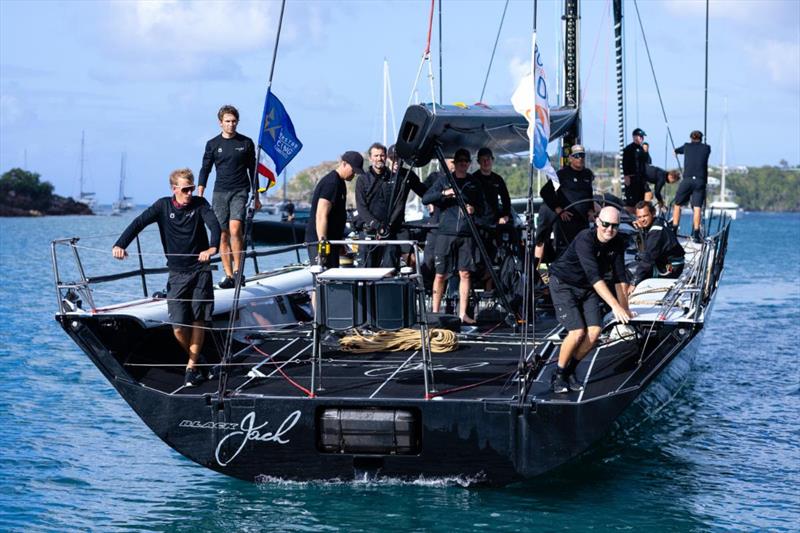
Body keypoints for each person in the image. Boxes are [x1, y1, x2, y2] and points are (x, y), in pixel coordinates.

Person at [112, 168, 221, 388]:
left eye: (191, 188)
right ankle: (199, 360)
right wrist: (120, 244)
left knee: (199, 319)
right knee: (178, 326)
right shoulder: (163, 206)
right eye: (185, 189)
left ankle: (191, 368)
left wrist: (212, 247)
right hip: (177, 273)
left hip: (200, 269)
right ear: (174, 189)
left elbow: (215, 226)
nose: (190, 193)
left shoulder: (200, 204)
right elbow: (138, 223)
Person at [547, 206, 632, 393]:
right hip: (564, 284)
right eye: (606, 225)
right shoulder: (585, 239)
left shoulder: (617, 242)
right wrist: (615, 306)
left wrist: (624, 310)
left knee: (594, 333)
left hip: (587, 288)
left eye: (615, 226)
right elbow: (595, 277)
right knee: (577, 332)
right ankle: (558, 374)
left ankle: (570, 370)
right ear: (597, 222)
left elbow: (620, 278)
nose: (610, 229)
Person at [198, 105, 260, 289]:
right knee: (222, 233)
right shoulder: (212, 144)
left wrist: (256, 196)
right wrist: (200, 191)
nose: (231, 124)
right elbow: (205, 168)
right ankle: (228, 275)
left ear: (237, 122)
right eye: (227, 121)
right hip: (219, 192)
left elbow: (253, 170)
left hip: (240, 190)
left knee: (235, 229)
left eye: (233, 121)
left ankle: (238, 270)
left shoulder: (246, 143)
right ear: (220, 123)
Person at [422, 148, 485, 324]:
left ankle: (462, 313)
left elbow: (483, 206)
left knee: (465, 273)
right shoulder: (444, 181)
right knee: (441, 274)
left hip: (466, 233)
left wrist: (474, 209)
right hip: (445, 233)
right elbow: (425, 199)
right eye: (460, 161)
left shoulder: (473, 183)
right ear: (455, 163)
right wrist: (445, 193)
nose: (463, 163)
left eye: (466, 161)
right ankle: (435, 312)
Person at [355, 142, 426, 267]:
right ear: (370, 158)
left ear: (385, 157)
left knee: (390, 267)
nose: (379, 158)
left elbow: (399, 203)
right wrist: (377, 225)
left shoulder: (395, 177)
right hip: (370, 230)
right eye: (376, 156)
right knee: (368, 269)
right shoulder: (362, 179)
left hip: (391, 231)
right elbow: (361, 207)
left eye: (381, 155)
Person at [305, 151, 364, 268]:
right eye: (353, 170)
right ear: (344, 164)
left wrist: (339, 241)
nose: (354, 174)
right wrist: (322, 243)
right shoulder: (331, 183)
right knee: (324, 276)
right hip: (321, 240)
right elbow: (321, 215)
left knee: (333, 274)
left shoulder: (340, 183)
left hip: (332, 240)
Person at [539, 144, 596, 250]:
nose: (580, 158)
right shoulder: (562, 175)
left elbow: (589, 194)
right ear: (570, 158)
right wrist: (557, 209)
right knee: (564, 252)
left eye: (582, 155)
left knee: (584, 250)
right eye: (577, 155)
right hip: (566, 221)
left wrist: (591, 211)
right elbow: (545, 192)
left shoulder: (588, 174)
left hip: (583, 222)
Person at [629, 201, 685, 293]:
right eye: (639, 217)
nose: (642, 220)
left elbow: (648, 258)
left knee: (631, 272)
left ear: (653, 213)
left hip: (670, 268)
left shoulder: (656, 232)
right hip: (663, 263)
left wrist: (633, 282)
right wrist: (641, 230)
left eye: (645, 216)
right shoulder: (653, 225)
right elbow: (645, 250)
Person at [473, 147, 512, 269]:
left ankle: (491, 284)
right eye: (483, 160)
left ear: (492, 160)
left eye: (488, 159)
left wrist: (505, 215)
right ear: (478, 162)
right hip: (478, 223)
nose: (486, 162)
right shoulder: (474, 178)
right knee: (480, 258)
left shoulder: (497, 179)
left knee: (494, 256)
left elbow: (506, 199)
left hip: (494, 223)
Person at [672, 130, 711, 243]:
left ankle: (674, 230)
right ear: (701, 138)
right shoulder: (707, 148)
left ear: (691, 138)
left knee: (678, 204)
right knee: (697, 207)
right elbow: (703, 151)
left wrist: (675, 152)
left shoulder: (686, 146)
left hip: (687, 180)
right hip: (700, 181)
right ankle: (696, 233)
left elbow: (676, 150)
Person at [622, 128, 648, 214]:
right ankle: (631, 218)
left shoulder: (642, 150)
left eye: (642, 137)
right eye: (640, 136)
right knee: (631, 202)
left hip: (640, 180)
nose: (642, 139)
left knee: (640, 201)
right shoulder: (628, 149)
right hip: (632, 178)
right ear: (634, 137)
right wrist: (626, 176)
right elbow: (625, 163)